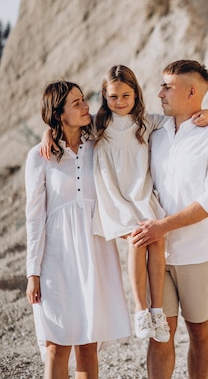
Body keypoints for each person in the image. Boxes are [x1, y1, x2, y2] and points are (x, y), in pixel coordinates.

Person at [40, 65, 208, 343]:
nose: (119, 102)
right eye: (113, 97)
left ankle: (157, 307)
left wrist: (207, 113)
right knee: (137, 240)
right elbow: (65, 127)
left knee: (156, 240)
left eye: (126, 96)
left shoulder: (147, 121)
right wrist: (47, 134)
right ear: (104, 97)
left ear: (136, 95)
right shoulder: (98, 124)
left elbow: (180, 121)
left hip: (140, 195)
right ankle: (141, 310)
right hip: (115, 199)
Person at [130, 60, 208, 379]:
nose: (159, 92)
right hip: (156, 254)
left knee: (199, 331)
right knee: (159, 333)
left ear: (192, 91)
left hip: (197, 253)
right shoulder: (153, 132)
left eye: (168, 86)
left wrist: (163, 226)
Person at [25, 80, 131, 378]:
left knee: (88, 343)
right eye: (76, 103)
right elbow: (33, 217)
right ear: (58, 114)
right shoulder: (39, 156)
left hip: (95, 252)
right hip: (56, 258)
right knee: (56, 345)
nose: (86, 106)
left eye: (84, 100)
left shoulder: (98, 143)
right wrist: (33, 272)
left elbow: (133, 119)